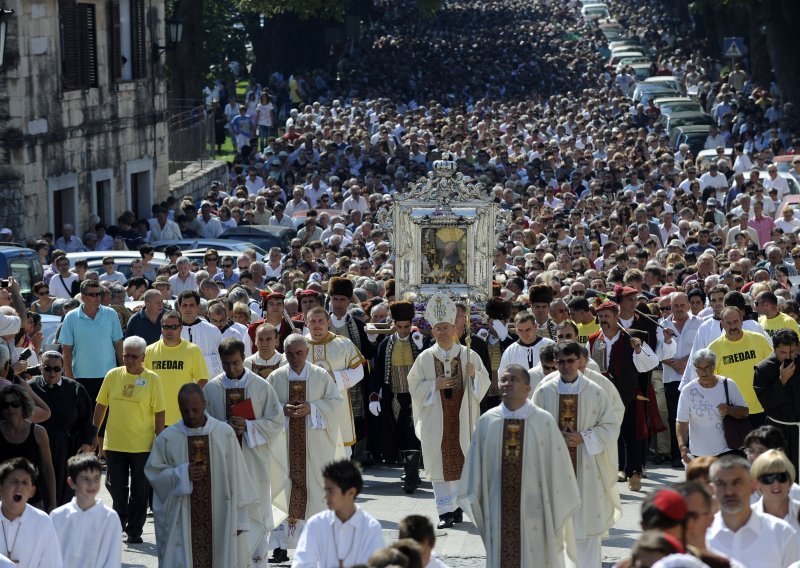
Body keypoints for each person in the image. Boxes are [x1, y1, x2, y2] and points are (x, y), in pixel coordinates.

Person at [460, 363, 580, 567]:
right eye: (504, 379)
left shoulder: (543, 422)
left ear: (527, 388)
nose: (507, 383)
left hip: (538, 510)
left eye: (514, 379)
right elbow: (474, 472)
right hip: (498, 509)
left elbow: (560, 471)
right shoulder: (486, 422)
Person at [145, 383, 265, 568]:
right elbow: (154, 474)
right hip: (183, 525)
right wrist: (181, 474)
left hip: (221, 521)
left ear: (205, 404)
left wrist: (240, 519)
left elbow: (238, 477)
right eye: (186, 411)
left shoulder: (224, 434)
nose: (191, 415)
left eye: (195, 409)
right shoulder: (168, 438)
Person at [533, 343, 622, 567]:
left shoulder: (595, 390)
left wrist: (583, 437)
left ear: (579, 361)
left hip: (587, 467)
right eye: (560, 361)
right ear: (555, 362)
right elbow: (531, 427)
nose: (565, 366)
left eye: (570, 360)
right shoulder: (544, 391)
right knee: (555, 528)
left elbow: (611, 425)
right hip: (554, 469)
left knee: (587, 525)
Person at [407, 292, 490, 529]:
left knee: (461, 461)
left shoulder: (468, 355)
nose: (443, 332)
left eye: (447, 327)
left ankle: (459, 507)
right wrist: (434, 384)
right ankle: (445, 511)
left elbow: (484, 383)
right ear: (432, 331)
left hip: (461, 418)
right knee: (440, 464)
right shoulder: (424, 358)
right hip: (436, 419)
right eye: (438, 328)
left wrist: (474, 375)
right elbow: (413, 385)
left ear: (455, 329)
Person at [205, 337, 288, 564]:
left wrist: (249, 426)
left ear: (244, 359)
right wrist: (223, 427)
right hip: (224, 464)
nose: (231, 369)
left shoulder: (261, 387)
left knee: (255, 514)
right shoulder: (212, 389)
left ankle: (256, 560)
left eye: (235, 363)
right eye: (225, 364)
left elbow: (276, 422)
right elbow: (204, 425)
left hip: (253, 462)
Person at [265, 334, 344, 564]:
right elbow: (266, 408)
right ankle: (280, 547)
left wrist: (313, 407)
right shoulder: (276, 377)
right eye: (289, 353)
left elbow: (336, 403)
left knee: (314, 493)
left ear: (307, 352)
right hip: (284, 448)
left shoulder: (320, 376)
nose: (294, 358)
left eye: (299, 353)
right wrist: (282, 409)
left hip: (314, 448)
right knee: (282, 491)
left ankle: (312, 546)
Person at [92, 336, 165, 544]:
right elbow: (100, 406)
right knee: (115, 486)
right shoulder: (113, 375)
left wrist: (160, 439)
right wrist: (94, 434)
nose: (130, 360)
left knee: (139, 490)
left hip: (142, 444)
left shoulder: (153, 379)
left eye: (134, 356)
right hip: (114, 442)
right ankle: (119, 521)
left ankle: (134, 530)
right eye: (126, 355)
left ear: (143, 357)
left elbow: (160, 412)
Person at [588, 300, 667, 490]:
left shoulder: (633, 337)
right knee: (607, 435)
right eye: (600, 316)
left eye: (607, 316)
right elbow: (589, 367)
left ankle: (634, 473)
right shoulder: (593, 340)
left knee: (631, 435)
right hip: (603, 395)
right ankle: (611, 470)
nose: (603, 320)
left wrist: (638, 350)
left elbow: (651, 363)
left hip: (628, 393)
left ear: (616, 317)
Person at [368, 300, 428, 492]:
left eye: (406, 326)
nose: (403, 330)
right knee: (399, 434)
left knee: (413, 434)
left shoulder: (419, 340)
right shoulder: (386, 343)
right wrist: (374, 396)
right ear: (393, 324)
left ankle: (412, 474)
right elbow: (377, 372)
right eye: (399, 326)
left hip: (415, 397)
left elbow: (427, 367)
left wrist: (421, 347)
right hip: (394, 397)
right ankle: (408, 469)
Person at [28, 350, 94, 506]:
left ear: (63, 369)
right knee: (40, 487)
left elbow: (86, 420)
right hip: (38, 447)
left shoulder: (75, 389)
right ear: (40, 368)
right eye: (47, 368)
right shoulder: (30, 388)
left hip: (67, 448)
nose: (52, 373)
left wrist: (87, 443)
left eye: (56, 369)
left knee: (66, 489)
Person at [707, 455, 799, 567]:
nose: (729, 491)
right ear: (712, 489)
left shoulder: (782, 533)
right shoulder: (700, 535)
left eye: (737, 483)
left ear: (753, 486)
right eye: (721, 484)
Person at [292, 460, 385, 567]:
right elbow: (302, 563)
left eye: (330, 491)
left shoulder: (370, 528)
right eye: (325, 491)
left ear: (351, 492)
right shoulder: (316, 523)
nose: (325, 497)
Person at [59, 280, 124, 429]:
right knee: (84, 420)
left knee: (107, 421)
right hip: (81, 378)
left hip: (109, 377)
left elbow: (118, 345)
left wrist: (124, 371)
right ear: (83, 296)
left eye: (99, 294)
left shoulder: (111, 314)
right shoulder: (71, 317)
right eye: (92, 294)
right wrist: (69, 377)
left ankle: (103, 452)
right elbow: (66, 350)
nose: (97, 298)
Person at [304, 306, 366, 454]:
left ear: (328, 322)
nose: (317, 325)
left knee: (341, 453)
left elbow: (359, 372)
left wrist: (333, 377)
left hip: (338, 404)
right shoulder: (299, 345)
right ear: (306, 323)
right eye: (312, 321)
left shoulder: (344, 344)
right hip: (308, 405)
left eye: (321, 321)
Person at [50, 453, 122, 568]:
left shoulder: (110, 517)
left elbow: (113, 559)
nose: (92, 484)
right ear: (72, 482)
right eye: (85, 479)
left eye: (96, 478)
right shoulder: (57, 516)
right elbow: (50, 557)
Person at [677, 349, 749, 462]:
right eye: (700, 369)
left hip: (728, 450)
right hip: (699, 453)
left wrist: (729, 410)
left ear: (714, 366)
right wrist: (682, 447)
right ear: (695, 369)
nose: (703, 372)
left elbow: (745, 411)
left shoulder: (728, 384)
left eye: (707, 368)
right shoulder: (688, 390)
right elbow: (681, 422)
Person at [707, 306, 773, 426]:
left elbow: (773, 368)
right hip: (734, 411)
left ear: (742, 320)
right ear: (722, 324)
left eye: (736, 321)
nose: (733, 326)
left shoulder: (759, 340)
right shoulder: (713, 349)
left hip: (762, 407)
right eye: (728, 323)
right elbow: (710, 380)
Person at [143, 310, 209, 425]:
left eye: (173, 327)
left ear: (181, 328)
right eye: (166, 326)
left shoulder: (193, 350)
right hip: (155, 416)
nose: (169, 330)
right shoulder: (149, 350)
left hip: (182, 416)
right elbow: (142, 379)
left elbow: (202, 379)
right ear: (161, 328)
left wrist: (190, 400)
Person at [660, 292, 703, 468]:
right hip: (671, 379)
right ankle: (677, 455)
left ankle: (696, 453)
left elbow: (701, 347)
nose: (678, 309)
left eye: (681, 305)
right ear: (670, 306)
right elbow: (658, 352)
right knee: (675, 418)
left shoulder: (699, 323)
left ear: (688, 305)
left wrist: (683, 363)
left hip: (693, 378)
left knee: (694, 417)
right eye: (675, 306)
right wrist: (674, 365)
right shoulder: (662, 324)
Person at [0, 385, 57, 512]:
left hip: (32, 500)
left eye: (15, 403)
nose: (10, 408)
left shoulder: (38, 433)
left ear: (23, 405)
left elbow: (47, 469)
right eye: (5, 405)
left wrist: (53, 503)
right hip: (3, 501)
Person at [0, 457, 63, 567]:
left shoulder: (42, 522)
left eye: (25, 483)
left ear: (32, 491)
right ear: (1, 487)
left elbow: (53, 564)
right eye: (14, 482)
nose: (19, 487)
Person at [753, 329, 800, 472]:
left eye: (792, 352)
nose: (788, 357)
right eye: (783, 353)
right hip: (779, 429)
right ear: (774, 349)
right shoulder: (763, 369)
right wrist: (782, 381)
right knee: (781, 471)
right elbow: (766, 402)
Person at [177, 290, 223, 378]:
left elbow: (220, 357)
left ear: (198, 307)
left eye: (192, 305)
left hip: (206, 382)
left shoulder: (212, 331)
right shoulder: (170, 330)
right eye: (185, 305)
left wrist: (196, 361)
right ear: (179, 307)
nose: (188, 309)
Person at [751, 449, 800, 531]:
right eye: (768, 478)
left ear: (790, 481)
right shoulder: (746, 519)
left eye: (782, 477)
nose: (776, 484)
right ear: (757, 484)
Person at [497, 310, 554, 377]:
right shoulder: (510, 351)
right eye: (520, 330)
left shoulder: (550, 345)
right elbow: (502, 376)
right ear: (516, 329)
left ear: (535, 326)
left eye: (528, 329)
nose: (524, 334)